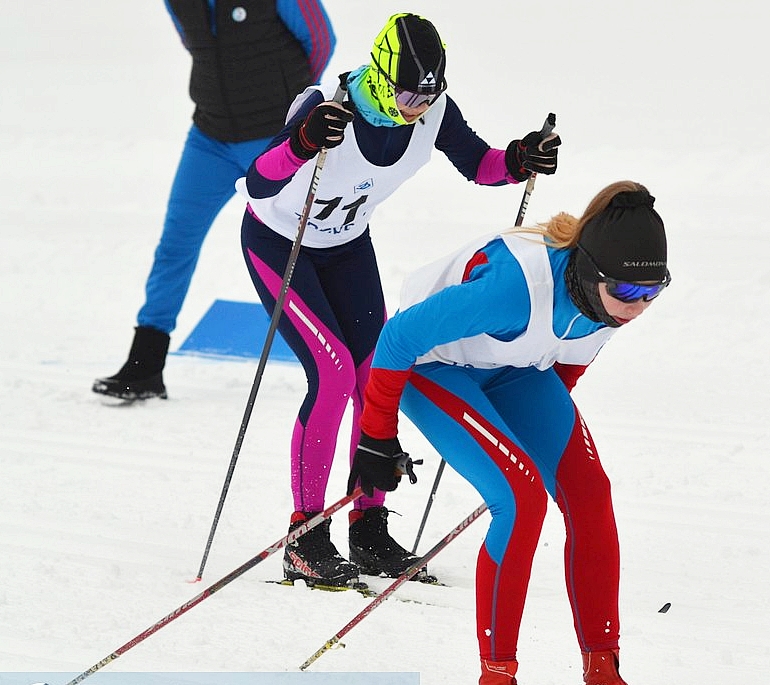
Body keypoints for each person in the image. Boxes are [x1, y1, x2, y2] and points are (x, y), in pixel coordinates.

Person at [346, 181, 679, 685]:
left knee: (589, 493)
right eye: (627, 288)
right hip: (433, 365)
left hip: (516, 368)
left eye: (654, 290)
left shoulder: (608, 305)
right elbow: (397, 339)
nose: (638, 305)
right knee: (521, 499)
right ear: (590, 269)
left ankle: (603, 681)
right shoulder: (512, 289)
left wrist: (529, 441)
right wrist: (377, 437)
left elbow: (562, 372)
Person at [238, 13, 562, 590]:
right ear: (383, 76)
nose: (416, 106)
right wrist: (303, 142)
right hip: (280, 243)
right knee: (334, 374)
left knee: (378, 373)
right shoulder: (326, 105)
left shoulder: (433, 109)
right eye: (408, 92)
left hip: (346, 246)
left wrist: (520, 159)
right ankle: (304, 537)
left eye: (427, 94)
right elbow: (259, 182)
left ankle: (367, 526)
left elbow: (479, 164)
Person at [93, 0, 337, 402]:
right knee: (176, 244)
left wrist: (293, 109)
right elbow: (198, 44)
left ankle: (346, 361)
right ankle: (146, 365)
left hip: (276, 140)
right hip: (211, 137)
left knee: (313, 242)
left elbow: (321, 42)